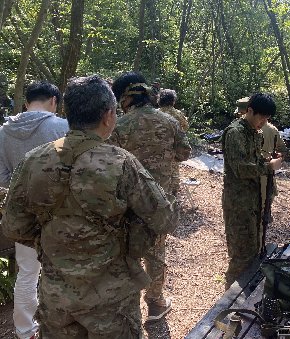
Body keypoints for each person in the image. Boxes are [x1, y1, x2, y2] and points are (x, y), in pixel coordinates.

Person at [1, 75, 175, 337]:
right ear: (108, 116)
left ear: (67, 112)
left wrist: (51, 242)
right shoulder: (121, 163)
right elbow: (164, 219)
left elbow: (13, 225)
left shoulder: (33, 160)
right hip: (111, 300)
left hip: (57, 299)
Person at [109, 72, 191, 322]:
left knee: (126, 252)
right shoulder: (170, 121)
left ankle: (127, 307)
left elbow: (108, 163)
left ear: (125, 99)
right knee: (156, 252)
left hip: (126, 203)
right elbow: (184, 153)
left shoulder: (118, 126)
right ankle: (155, 303)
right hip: (159, 202)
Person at [0, 81, 69, 339]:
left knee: (28, 273)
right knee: (62, 271)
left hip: (23, 213)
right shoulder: (62, 127)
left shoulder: (3, 132)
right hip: (59, 211)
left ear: (27, 102)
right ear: (53, 101)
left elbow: (2, 178)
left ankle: (24, 330)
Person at [221, 92, 283, 288]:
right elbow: (240, 168)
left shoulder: (254, 132)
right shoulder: (235, 133)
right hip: (238, 203)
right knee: (241, 254)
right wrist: (268, 167)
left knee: (254, 249)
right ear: (249, 111)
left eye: (267, 119)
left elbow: (252, 160)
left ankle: (244, 292)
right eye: (261, 118)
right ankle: (228, 298)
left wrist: (267, 160)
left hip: (254, 200)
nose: (263, 123)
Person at [159, 89, 190, 196]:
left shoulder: (155, 113)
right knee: (173, 172)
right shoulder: (178, 114)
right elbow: (185, 128)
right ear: (173, 101)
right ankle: (173, 194)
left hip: (156, 148)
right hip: (172, 148)